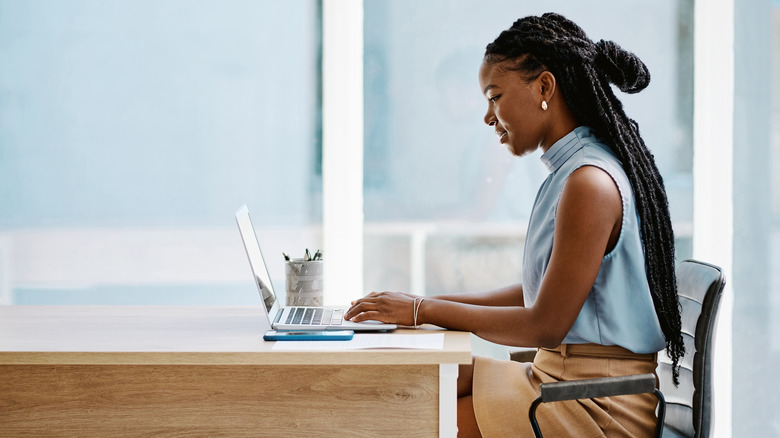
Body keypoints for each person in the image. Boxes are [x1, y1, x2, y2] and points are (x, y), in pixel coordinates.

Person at [344, 12, 684, 437]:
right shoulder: (572, 173)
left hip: (596, 404)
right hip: (560, 382)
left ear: (544, 86)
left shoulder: (589, 183)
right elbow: (536, 291)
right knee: (416, 386)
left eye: (495, 96)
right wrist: (421, 303)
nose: (489, 116)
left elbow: (545, 324)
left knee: (416, 420)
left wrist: (422, 311)